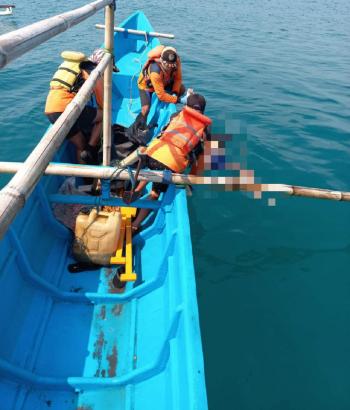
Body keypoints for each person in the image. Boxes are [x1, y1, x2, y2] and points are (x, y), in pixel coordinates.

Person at [129, 93, 212, 231]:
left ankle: (136, 190)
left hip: (152, 153)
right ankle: (135, 224)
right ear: (202, 111)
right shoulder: (205, 129)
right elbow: (202, 159)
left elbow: (164, 132)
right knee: (155, 193)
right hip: (168, 163)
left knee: (155, 166)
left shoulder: (177, 115)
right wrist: (191, 179)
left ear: (186, 106)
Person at [44, 49, 106, 164]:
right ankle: (91, 148)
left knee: (81, 146)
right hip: (66, 109)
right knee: (104, 116)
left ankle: (82, 177)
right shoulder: (92, 71)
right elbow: (103, 103)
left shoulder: (72, 66)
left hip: (50, 111)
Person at [136, 45, 187, 129]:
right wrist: (178, 100)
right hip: (148, 86)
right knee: (145, 109)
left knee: (181, 89)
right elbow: (161, 95)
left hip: (164, 81)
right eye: (167, 66)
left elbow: (178, 79)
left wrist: (175, 93)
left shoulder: (176, 61)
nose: (169, 68)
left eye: (172, 66)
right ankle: (140, 128)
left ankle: (167, 102)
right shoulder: (155, 70)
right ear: (161, 61)